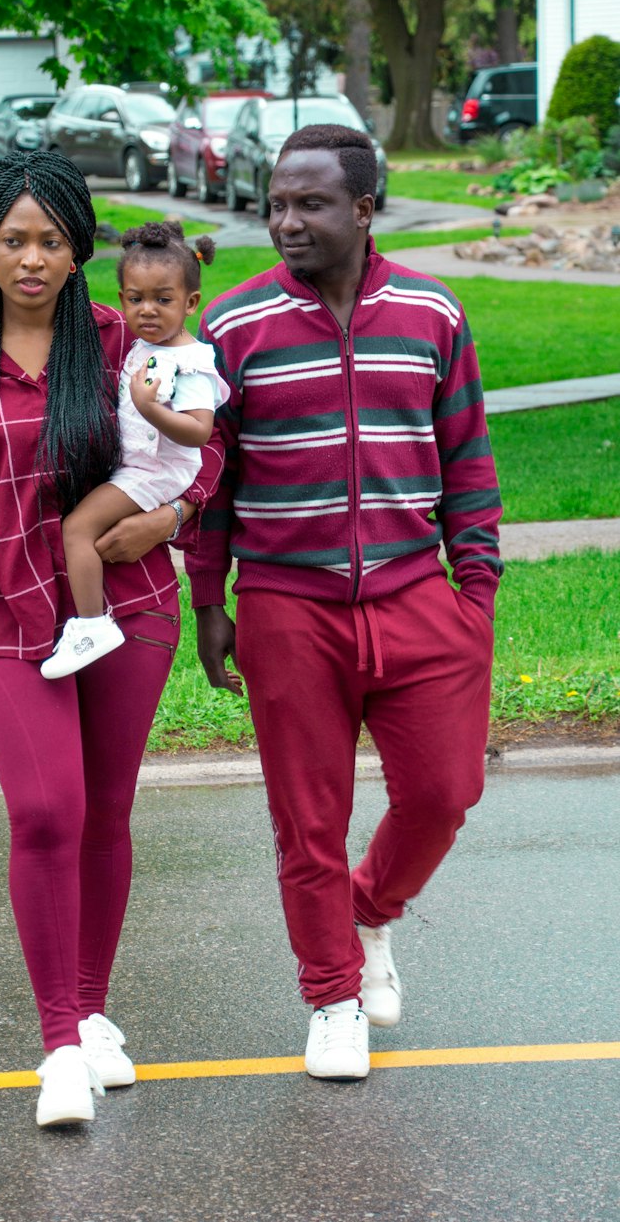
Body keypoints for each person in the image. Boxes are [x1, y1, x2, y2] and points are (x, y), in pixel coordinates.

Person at [0, 150, 222, 1128]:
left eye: (52, 241)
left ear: (78, 252)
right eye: (14, 239)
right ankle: (59, 1043)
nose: (32, 258)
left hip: (125, 602)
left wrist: (175, 516)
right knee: (45, 811)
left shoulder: (121, 338)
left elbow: (206, 439)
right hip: (0, 607)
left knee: (104, 811)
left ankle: (95, 1011)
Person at [187, 124, 502, 1081]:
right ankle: (332, 996)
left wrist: (474, 597)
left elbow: (467, 459)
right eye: (277, 203)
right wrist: (211, 604)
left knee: (445, 794)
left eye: (310, 203)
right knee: (306, 819)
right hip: (288, 608)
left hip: (417, 598)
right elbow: (211, 482)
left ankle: (369, 915)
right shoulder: (232, 329)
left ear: (363, 210)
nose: (286, 220)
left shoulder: (432, 313)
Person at [41, 221, 230, 679]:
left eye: (163, 300)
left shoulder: (191, 363)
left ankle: (90, 627)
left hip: (157, 472)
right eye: (135, 298)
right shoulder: (147, 347)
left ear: (190, 303)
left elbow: (200, 434)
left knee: (78, 530)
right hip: (138, 465)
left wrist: (150, 408)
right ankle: (90, 620)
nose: (147, 310)